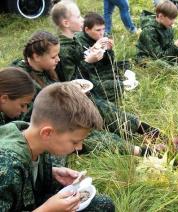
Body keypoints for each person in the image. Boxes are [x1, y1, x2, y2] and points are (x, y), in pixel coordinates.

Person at [12, 31, 160, 157]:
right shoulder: (22, 79)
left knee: (98, 105)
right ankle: (143, 152)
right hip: (53, 125)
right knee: (86, 133)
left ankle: (148, 130)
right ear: (36, 56)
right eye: (53, 57)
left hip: (63, 109)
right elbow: (27, 116)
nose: (57, 59)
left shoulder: (47, 67)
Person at [0, 82, 115, 211]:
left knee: (103, 205)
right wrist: (47, 210)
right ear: (47, 133)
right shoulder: (6, 165)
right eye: (74, 142)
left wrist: (52, 172)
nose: (79, 147)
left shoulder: (34, 138)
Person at [75, 12, 126, 101]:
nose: (102, 33)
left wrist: (109, 50)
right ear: (87, 30)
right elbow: (80, 70)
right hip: (89, 76)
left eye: (103, 29)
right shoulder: (78, 41)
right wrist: (93, 49)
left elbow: (109, 62)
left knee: (125, 66)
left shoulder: (103, 36)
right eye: (98, 30)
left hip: (101, 70)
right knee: (117, 85)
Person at [136, 0, 178, 65]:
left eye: (174, 18)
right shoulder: (149, 31)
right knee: (169, 66)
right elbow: (159, 58)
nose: (173, 22)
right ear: (161, 16)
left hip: (164, 56)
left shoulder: (167, 26)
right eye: (171, 19)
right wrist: (176, 45)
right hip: (149, 59)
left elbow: (168, 47)